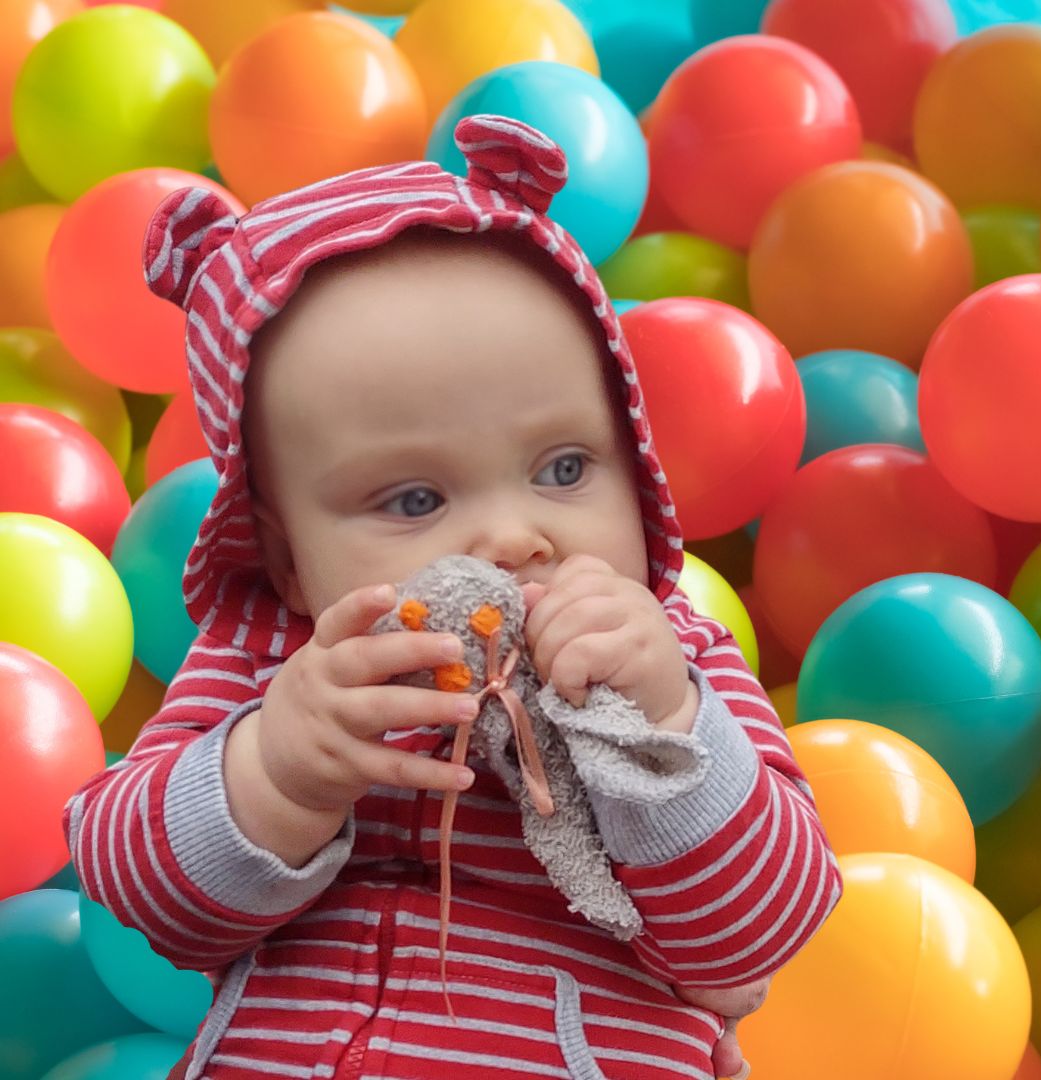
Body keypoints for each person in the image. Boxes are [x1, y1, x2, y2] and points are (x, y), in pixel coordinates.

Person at [65, 115, 842, 1080]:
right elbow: (144, 901)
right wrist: (276, 773)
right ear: (288, 559)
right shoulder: (279, 666)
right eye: (417, 499)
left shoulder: (671, 662)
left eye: (564, 468)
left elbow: (755, 942)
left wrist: (664, 728)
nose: (516, 536)